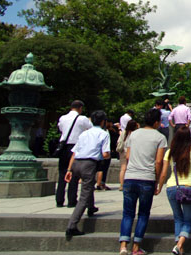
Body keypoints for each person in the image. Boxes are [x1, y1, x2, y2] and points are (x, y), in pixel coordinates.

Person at [119, 109, 167, 255]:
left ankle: (123, 246)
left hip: (130, 176)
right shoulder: (160, 137)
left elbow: (127, 156)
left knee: (127, 213)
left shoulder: (133, 135)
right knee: (143, 213)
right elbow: (159, 161)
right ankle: (136, 247)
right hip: (147, 178)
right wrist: (158, 181)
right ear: (157, 122)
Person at [64, 110, 110, 239]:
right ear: (103, 122)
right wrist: (106, 156)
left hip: (76, 163)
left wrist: (69, 170)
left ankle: (91, 207)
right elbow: (105, 154)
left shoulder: (84, 133)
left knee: (87, 186)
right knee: (84, 194)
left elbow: (74, 152)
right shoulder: (103, 133)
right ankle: (71, 226)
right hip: (89, 164)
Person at [159, 127, 191, 255]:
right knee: (188, 220)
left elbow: (163, 173)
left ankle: (179, 247)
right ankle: (179, 245)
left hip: (172, 186)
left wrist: (159, 187)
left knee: (178, 218)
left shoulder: (170, 152)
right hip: (187, 187)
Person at [56, 100, 92, 208]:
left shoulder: (62, 118)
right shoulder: (82, 119)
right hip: (76, 146)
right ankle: (71, 200)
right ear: (80, 108)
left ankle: (59, 200)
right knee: (74, 173)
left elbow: (61, 129)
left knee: (62, 173)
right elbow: (90, 129)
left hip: (63, 146)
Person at [117, 120, 139, 190]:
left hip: (123, 151)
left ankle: (121, 185)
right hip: (131, 152)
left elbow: (119, 141)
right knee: (131, 168)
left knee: (123, 168)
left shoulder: (124, 132)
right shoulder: (135, 133)